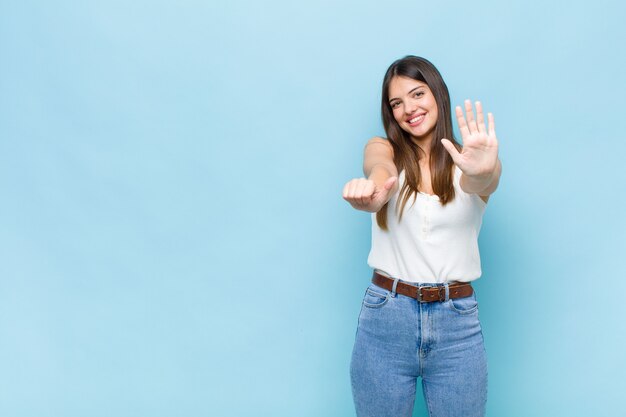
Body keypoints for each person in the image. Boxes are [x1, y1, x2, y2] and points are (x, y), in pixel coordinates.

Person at [342, 55, 502, 417]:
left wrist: (482, 169)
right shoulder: (385, 150)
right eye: (396, 103)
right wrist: (373, 193)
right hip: (386, 318)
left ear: (437, 94)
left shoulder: (473, 160)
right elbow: (378, 169)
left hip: (456, 324)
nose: (408, 109)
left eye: (417, 94)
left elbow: (482, 181)